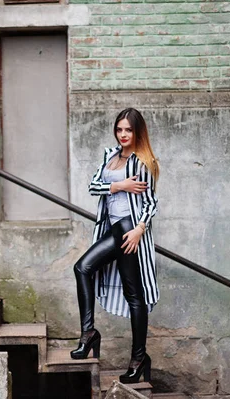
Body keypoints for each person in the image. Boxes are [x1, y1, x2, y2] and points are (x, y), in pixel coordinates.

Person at [70, 108, 159, 384]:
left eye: (128, 130)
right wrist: (118, 186)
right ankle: (90, 334)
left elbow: (151, 202)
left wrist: (139, 230)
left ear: (137, 132)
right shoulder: (110, 156)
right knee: (86, 269)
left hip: (128, 231)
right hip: (112, 230)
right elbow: (93, 186)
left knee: (134, 294)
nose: (123, 135)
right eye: (119, 129)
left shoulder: (143, 162)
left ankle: (137, 357)